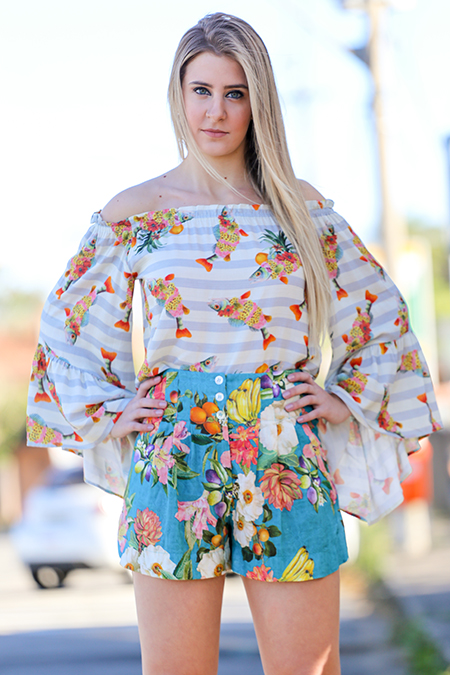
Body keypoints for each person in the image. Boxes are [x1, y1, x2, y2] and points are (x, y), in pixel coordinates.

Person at [27, 12, 441, 675]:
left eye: (235, 93)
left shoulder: (299, 209)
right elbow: (68, 324)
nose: (215, 111)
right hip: (174, 451)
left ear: (258, 103)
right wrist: (112, 408)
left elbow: (379, 312)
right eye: (201, 90)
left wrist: (343, 396)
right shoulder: (136, 212)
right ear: (178, 94)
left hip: (283, 445)